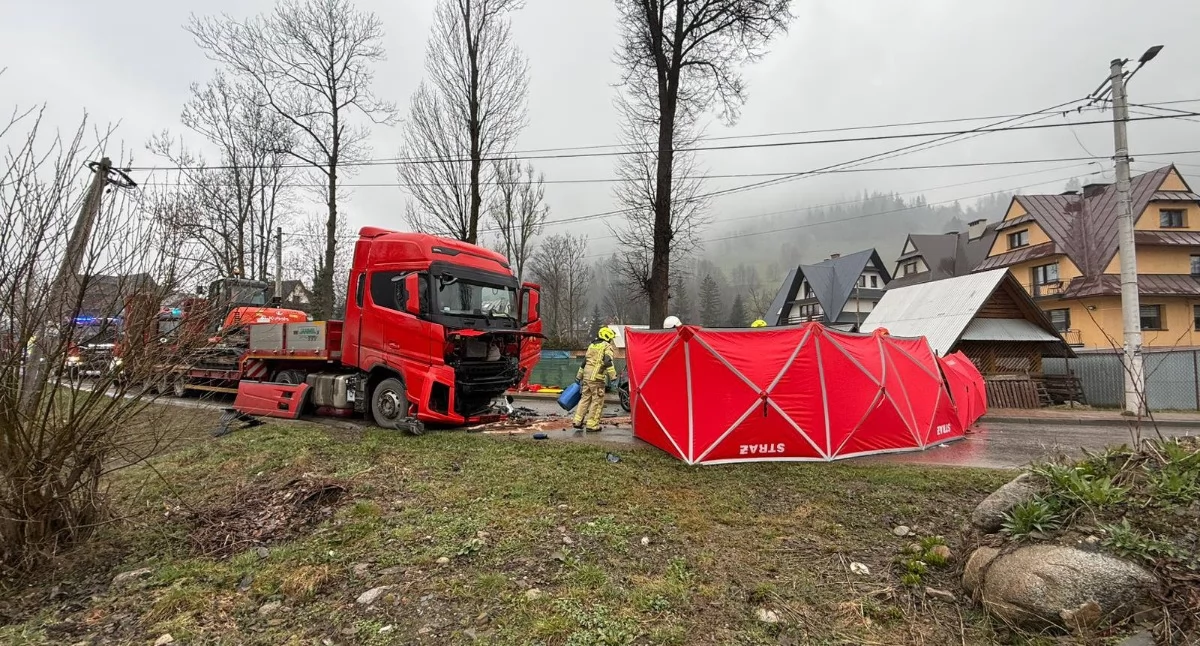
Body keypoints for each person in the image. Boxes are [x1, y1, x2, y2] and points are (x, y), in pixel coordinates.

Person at [574, 325, 618, 432]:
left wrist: (578, 376)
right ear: (607, 337)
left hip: (586, 378)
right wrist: (613, 377)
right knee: (597, 401)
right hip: (597, 379)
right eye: (611, 338)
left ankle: (577, 421)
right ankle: (592, 425)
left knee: (585, 399)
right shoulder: (606, 346)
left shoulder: (592, 345)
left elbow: (584, 362)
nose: (611, 341)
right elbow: (607, 361)